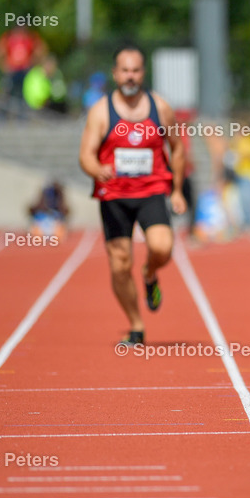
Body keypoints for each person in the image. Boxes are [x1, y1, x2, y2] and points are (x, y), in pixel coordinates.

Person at [78, 45, 186, 346]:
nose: (130, 76)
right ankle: (136, 326)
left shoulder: (160, 107)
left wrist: (177, 190)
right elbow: (85, 155)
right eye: (125, 70)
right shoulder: (101, 111)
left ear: (143, 72)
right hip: (113, 195)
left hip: (151, 190)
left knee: (162, 247)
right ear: (115, 74)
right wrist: (96, 169)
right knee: (119, 262)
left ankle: (149, 273)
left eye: (136, 70)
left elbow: (176, 147)